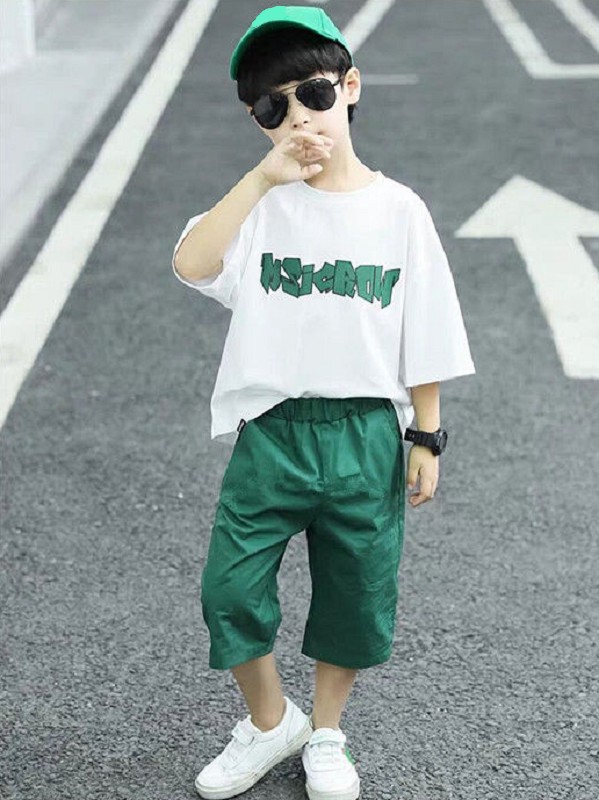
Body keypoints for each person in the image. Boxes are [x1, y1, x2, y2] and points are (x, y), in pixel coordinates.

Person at [171, 6, 476, 800]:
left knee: (356, 593)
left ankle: (328, 733)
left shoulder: (398, 210)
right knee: (228, 590)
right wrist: (260, 179)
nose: (297, 117)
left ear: (350, 86)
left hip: (364, 432)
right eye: (270, 108)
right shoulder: (262, 206)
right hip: (273, 431)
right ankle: (271, 722)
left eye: (311, 92)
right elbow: (193, 264)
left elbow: (424, 326)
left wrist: (426, 435)